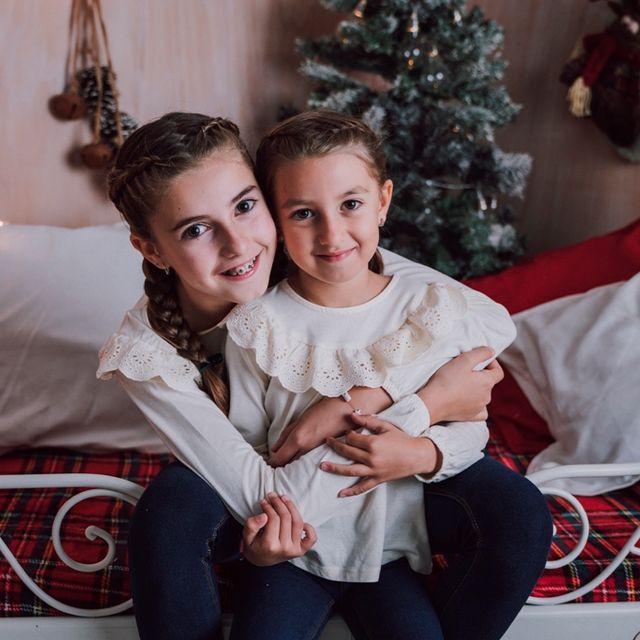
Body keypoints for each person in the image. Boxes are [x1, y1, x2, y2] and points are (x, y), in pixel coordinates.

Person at [98, 111, 552, 640]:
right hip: (254, 495)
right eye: (196, 229)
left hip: (370, 483)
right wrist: (424, 404)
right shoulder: (148, 351)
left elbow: (482, 318)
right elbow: (261, 489)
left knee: (518, 510)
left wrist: (365, 398)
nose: (238, 245)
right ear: (151, 249)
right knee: (170, 511)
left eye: (246, 207)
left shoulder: (316, 251)